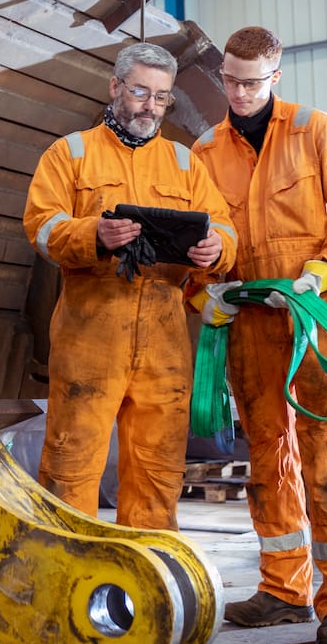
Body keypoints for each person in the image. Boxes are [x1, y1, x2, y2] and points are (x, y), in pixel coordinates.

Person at [191, 26, 327, 644]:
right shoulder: (204, 149)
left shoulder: (314, 131)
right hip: (249, 329)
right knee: (268, 461)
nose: (239, 93)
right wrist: (207, 290)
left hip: (315, 322)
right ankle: (283, 589)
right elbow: (201, 242)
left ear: (277, 77)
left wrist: (317, 277)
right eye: (230, 80)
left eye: (252, 82)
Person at [23, 42, 237, 530]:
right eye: (141, 92)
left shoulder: (184, 163)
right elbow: (40, 224)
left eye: (162, 97)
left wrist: (216, 250)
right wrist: (93, 234)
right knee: (71, 466)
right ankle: (66, 570)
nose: (151, 106)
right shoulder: (70, 153)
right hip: (89, 339)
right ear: (116, 87)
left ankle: (148, 577)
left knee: (157, 472)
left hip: (164, 344)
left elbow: (222, 226)